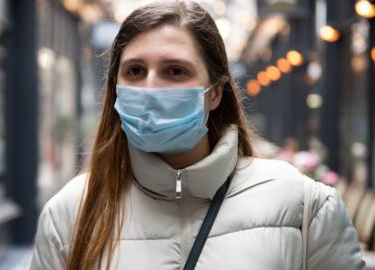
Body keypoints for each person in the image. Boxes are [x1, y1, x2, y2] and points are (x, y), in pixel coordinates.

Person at [29, 1, 366, 269]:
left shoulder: (302, 205)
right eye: (135, 71)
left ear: (215, 93)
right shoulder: (70, 213)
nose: (151, 88)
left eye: (175, 71)